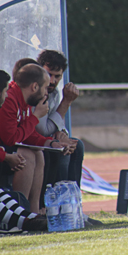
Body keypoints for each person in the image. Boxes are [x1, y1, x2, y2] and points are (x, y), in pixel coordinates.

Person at [0, 63, 72, 212]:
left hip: (0, 143)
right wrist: (35, 117)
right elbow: (11, 139)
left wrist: (50, 143)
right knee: (26, 154)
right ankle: (21, 211)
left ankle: (34, 210)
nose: (47, 92)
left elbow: (28, 133)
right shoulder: (9, 99)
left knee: (38, 152)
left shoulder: (24, 99)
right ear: (34, 87)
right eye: (45, 88)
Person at [35, 50, 83, 187]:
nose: (52, 81)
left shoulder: (53, 93)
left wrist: (62, 133)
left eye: (57, 76)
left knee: (75, 145)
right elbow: (43, 130)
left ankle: (72, 199)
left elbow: (55, 124)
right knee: (58, 149)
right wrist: (66, 102)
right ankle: (57, 200)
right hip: (31, 142)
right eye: (49, 74)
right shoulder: (36, 92)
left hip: (44, 140)